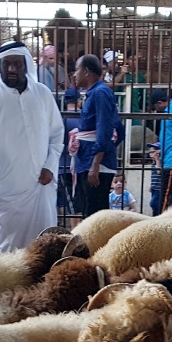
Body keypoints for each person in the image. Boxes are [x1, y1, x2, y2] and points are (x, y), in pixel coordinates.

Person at [0, 40, 64, 252]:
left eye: (17, 64)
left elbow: (57, 134)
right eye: (7, 65)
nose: (12, 69)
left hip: (40, 186)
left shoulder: (42, 95)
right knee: (10, 251)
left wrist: (50, 165)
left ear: (26, 65)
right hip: (5, 191)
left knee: (44, 245)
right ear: (0, 67)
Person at [72, 53, 120, 219]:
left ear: (86, 72)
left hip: (95, 163)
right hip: (88, 159)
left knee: (95, 215)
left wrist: (96, 163)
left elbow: (105, 128)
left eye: (76, 70)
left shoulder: (100, 93)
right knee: (89, 212)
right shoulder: (94, 93)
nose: (74, 74)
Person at [149, 88, 172, 214]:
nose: (154, 110)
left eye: (154, 106)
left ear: (160, 103)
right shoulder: (171, 110)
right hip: (168, 158)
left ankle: (162, 223)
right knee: (166, 196)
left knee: (166, 198)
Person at [58, 87, 82, 216]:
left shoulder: (61, 118)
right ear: (79, 101)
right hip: (82, 165)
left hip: (64, 164)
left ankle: (75, 232)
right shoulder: (83, 117)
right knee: (82, 203)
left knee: (72, 205)